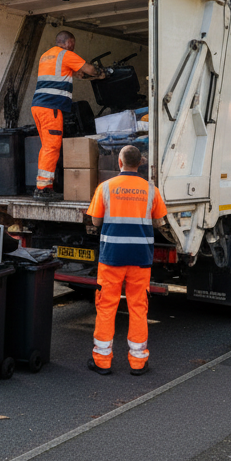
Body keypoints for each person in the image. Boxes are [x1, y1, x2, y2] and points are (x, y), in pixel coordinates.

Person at [84, 145, 166, 375]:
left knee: (106, 307)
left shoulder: (106, 187)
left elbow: (96, 222)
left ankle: (102, 361)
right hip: (140, 258)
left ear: (119, 163)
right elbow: (160, 223)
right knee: (138, 307)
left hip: (112, 258)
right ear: (140, 163)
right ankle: (138, 362)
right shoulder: (151, 190)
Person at [31, 30, 105, 200]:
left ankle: (43, 186)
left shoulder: (47, 56)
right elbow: (89, 69)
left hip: (38, 106)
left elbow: (77, 73)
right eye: (73, 43)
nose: (74, 46)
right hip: (52, 107)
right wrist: (101, 73)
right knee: (52, 147)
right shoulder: (65, 54)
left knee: (46, 147)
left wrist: (85, 75)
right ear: (69, 42)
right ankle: (43, 189)